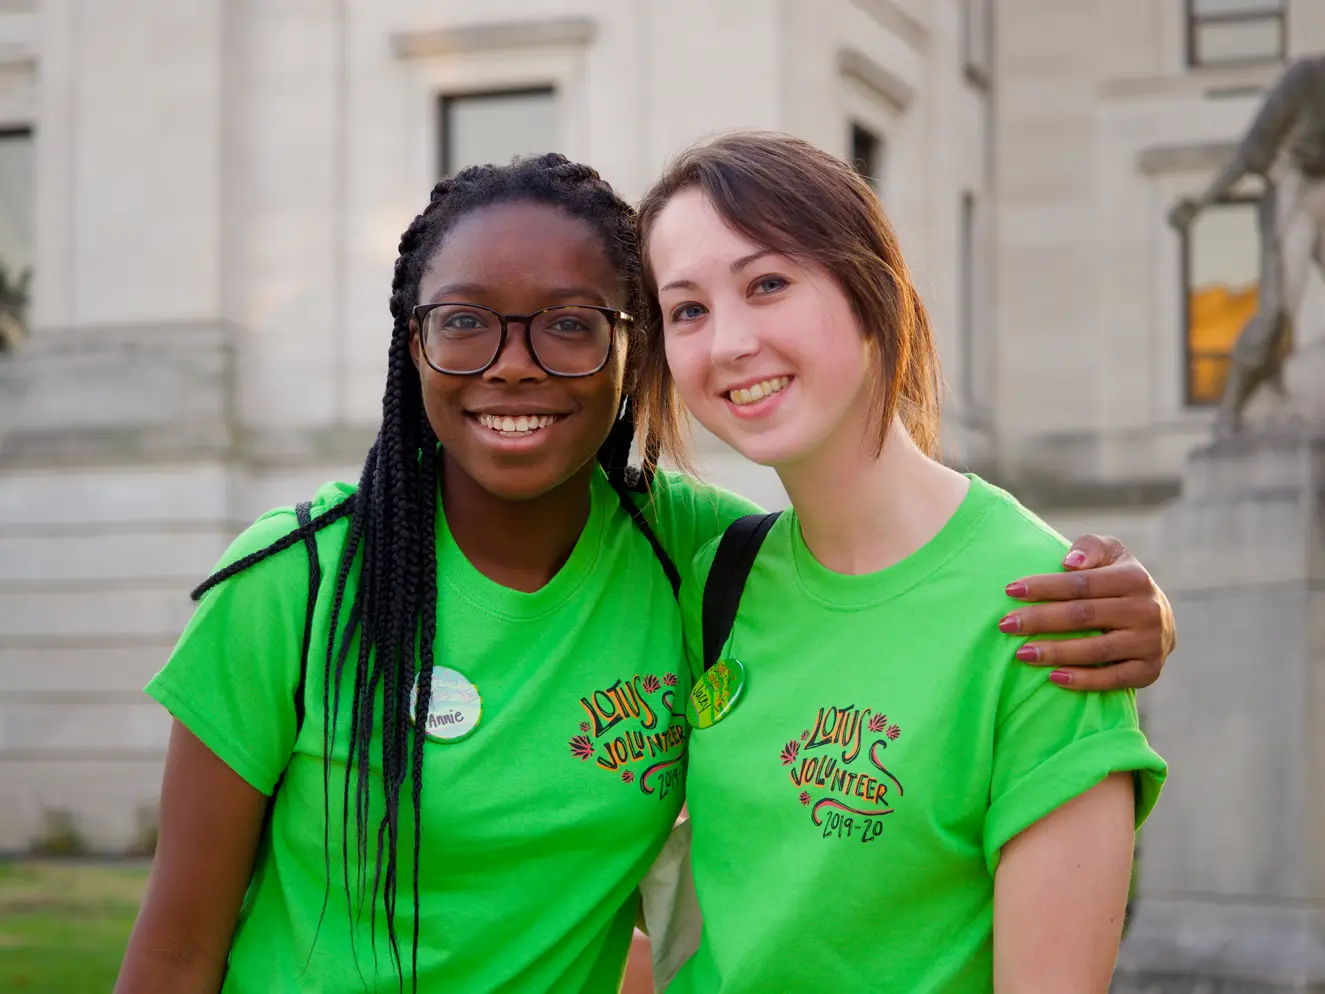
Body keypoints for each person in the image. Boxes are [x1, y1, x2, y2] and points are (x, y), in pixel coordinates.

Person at [115, 154, 1172, 994]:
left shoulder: (693, 557)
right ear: (412, 342)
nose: (515, 362)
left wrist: (1141, 609)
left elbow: (895, 581)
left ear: (630, 357)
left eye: (572, 324)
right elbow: (170, 955)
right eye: (465, 321)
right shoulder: (294, 585)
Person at [635, 132, 1168, 992]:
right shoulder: (716, 577)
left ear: (870, 290)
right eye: (686, 310)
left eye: (767, 284)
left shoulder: (1047, 611)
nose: (728, 341)